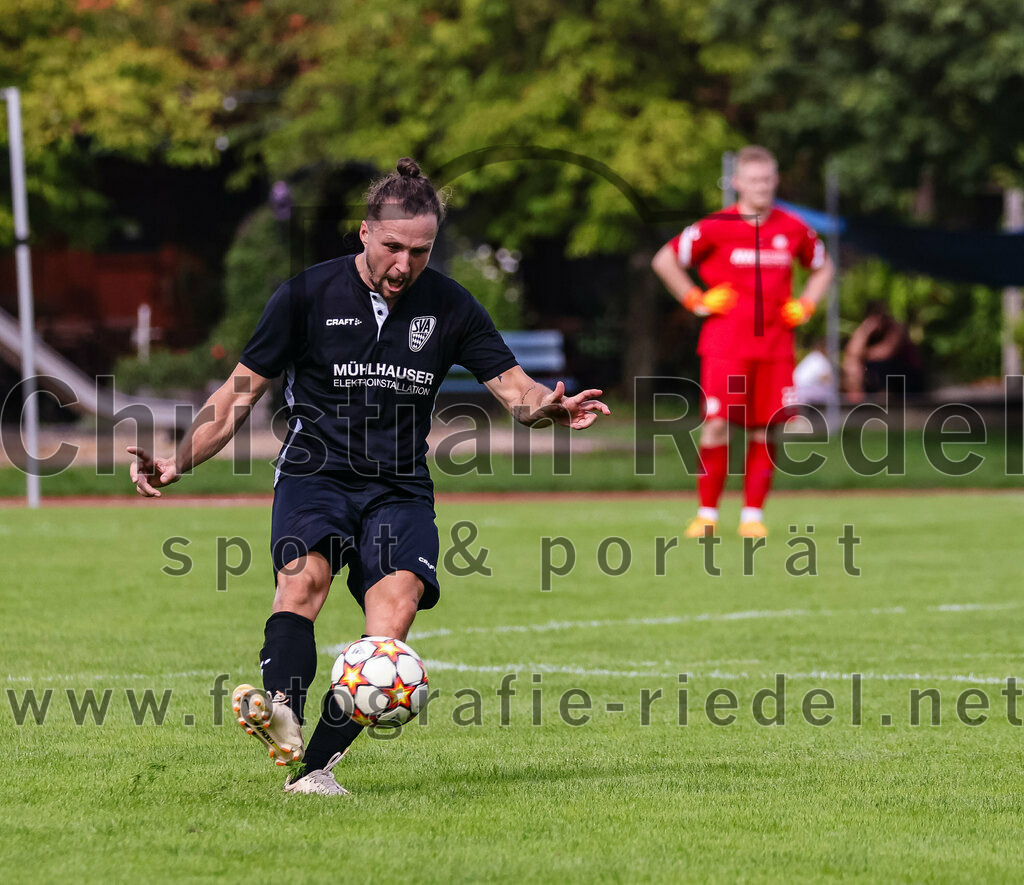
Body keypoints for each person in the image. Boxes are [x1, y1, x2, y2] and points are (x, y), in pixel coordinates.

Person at [128, 158, 609, 796]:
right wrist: (175, 461)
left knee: (393, 622)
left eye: (421, 251)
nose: (405, 265)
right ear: (363, 233)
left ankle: (313, 771)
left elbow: (517, 391)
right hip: (314, 470)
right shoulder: (305, 295)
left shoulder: (451, 305)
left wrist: (548, 408)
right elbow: (236, 397)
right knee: (304, 582)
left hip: (399, 485)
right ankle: (282, 711)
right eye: (393, 247)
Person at [651, 145, 834, 538]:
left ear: (776, 181)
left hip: (775, 348)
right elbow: (664, 260)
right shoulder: (715, 225)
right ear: (737, 183)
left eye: (767, 180)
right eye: (753, 180)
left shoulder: (793, 226)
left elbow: (823, 267)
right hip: (725, 346)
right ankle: (706, 515)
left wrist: (807, 304)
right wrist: (694, 299)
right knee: (717, 425)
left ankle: (752, 516)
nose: (761, 187)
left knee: (765, 430)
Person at [842, 301, 923, 402]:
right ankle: (856, 400)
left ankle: (882, 400)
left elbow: (885, 353)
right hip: (878, 373)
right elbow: (852, 352)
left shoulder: (896, 328)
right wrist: (865, 330)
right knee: (852, 365)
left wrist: (862, 353)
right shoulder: (868, 331)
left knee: (879, 366)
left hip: (907, 376)